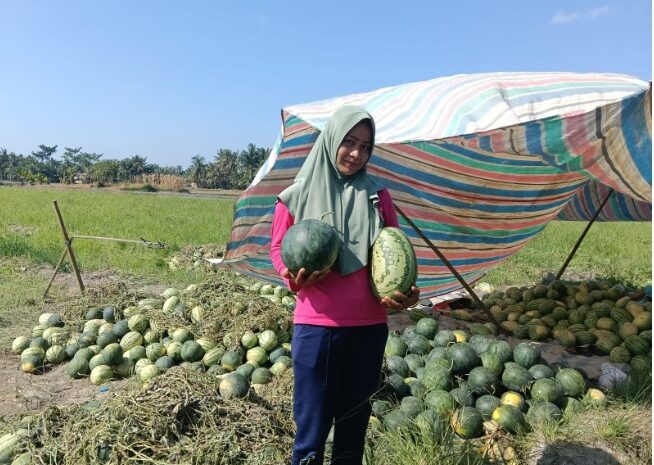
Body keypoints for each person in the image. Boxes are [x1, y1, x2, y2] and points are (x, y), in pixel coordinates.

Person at [269, 105, 420, 465]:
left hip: (369, 327)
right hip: (318, 327)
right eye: (349, 142)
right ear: (332, 139)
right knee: (311, 432)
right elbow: (277, 248)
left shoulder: (378, 196)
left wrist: (406, 293)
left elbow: (394, 250)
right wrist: (291, 275)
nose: (356, 153)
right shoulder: (296, 195)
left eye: (366, 146)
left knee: (353, 428)